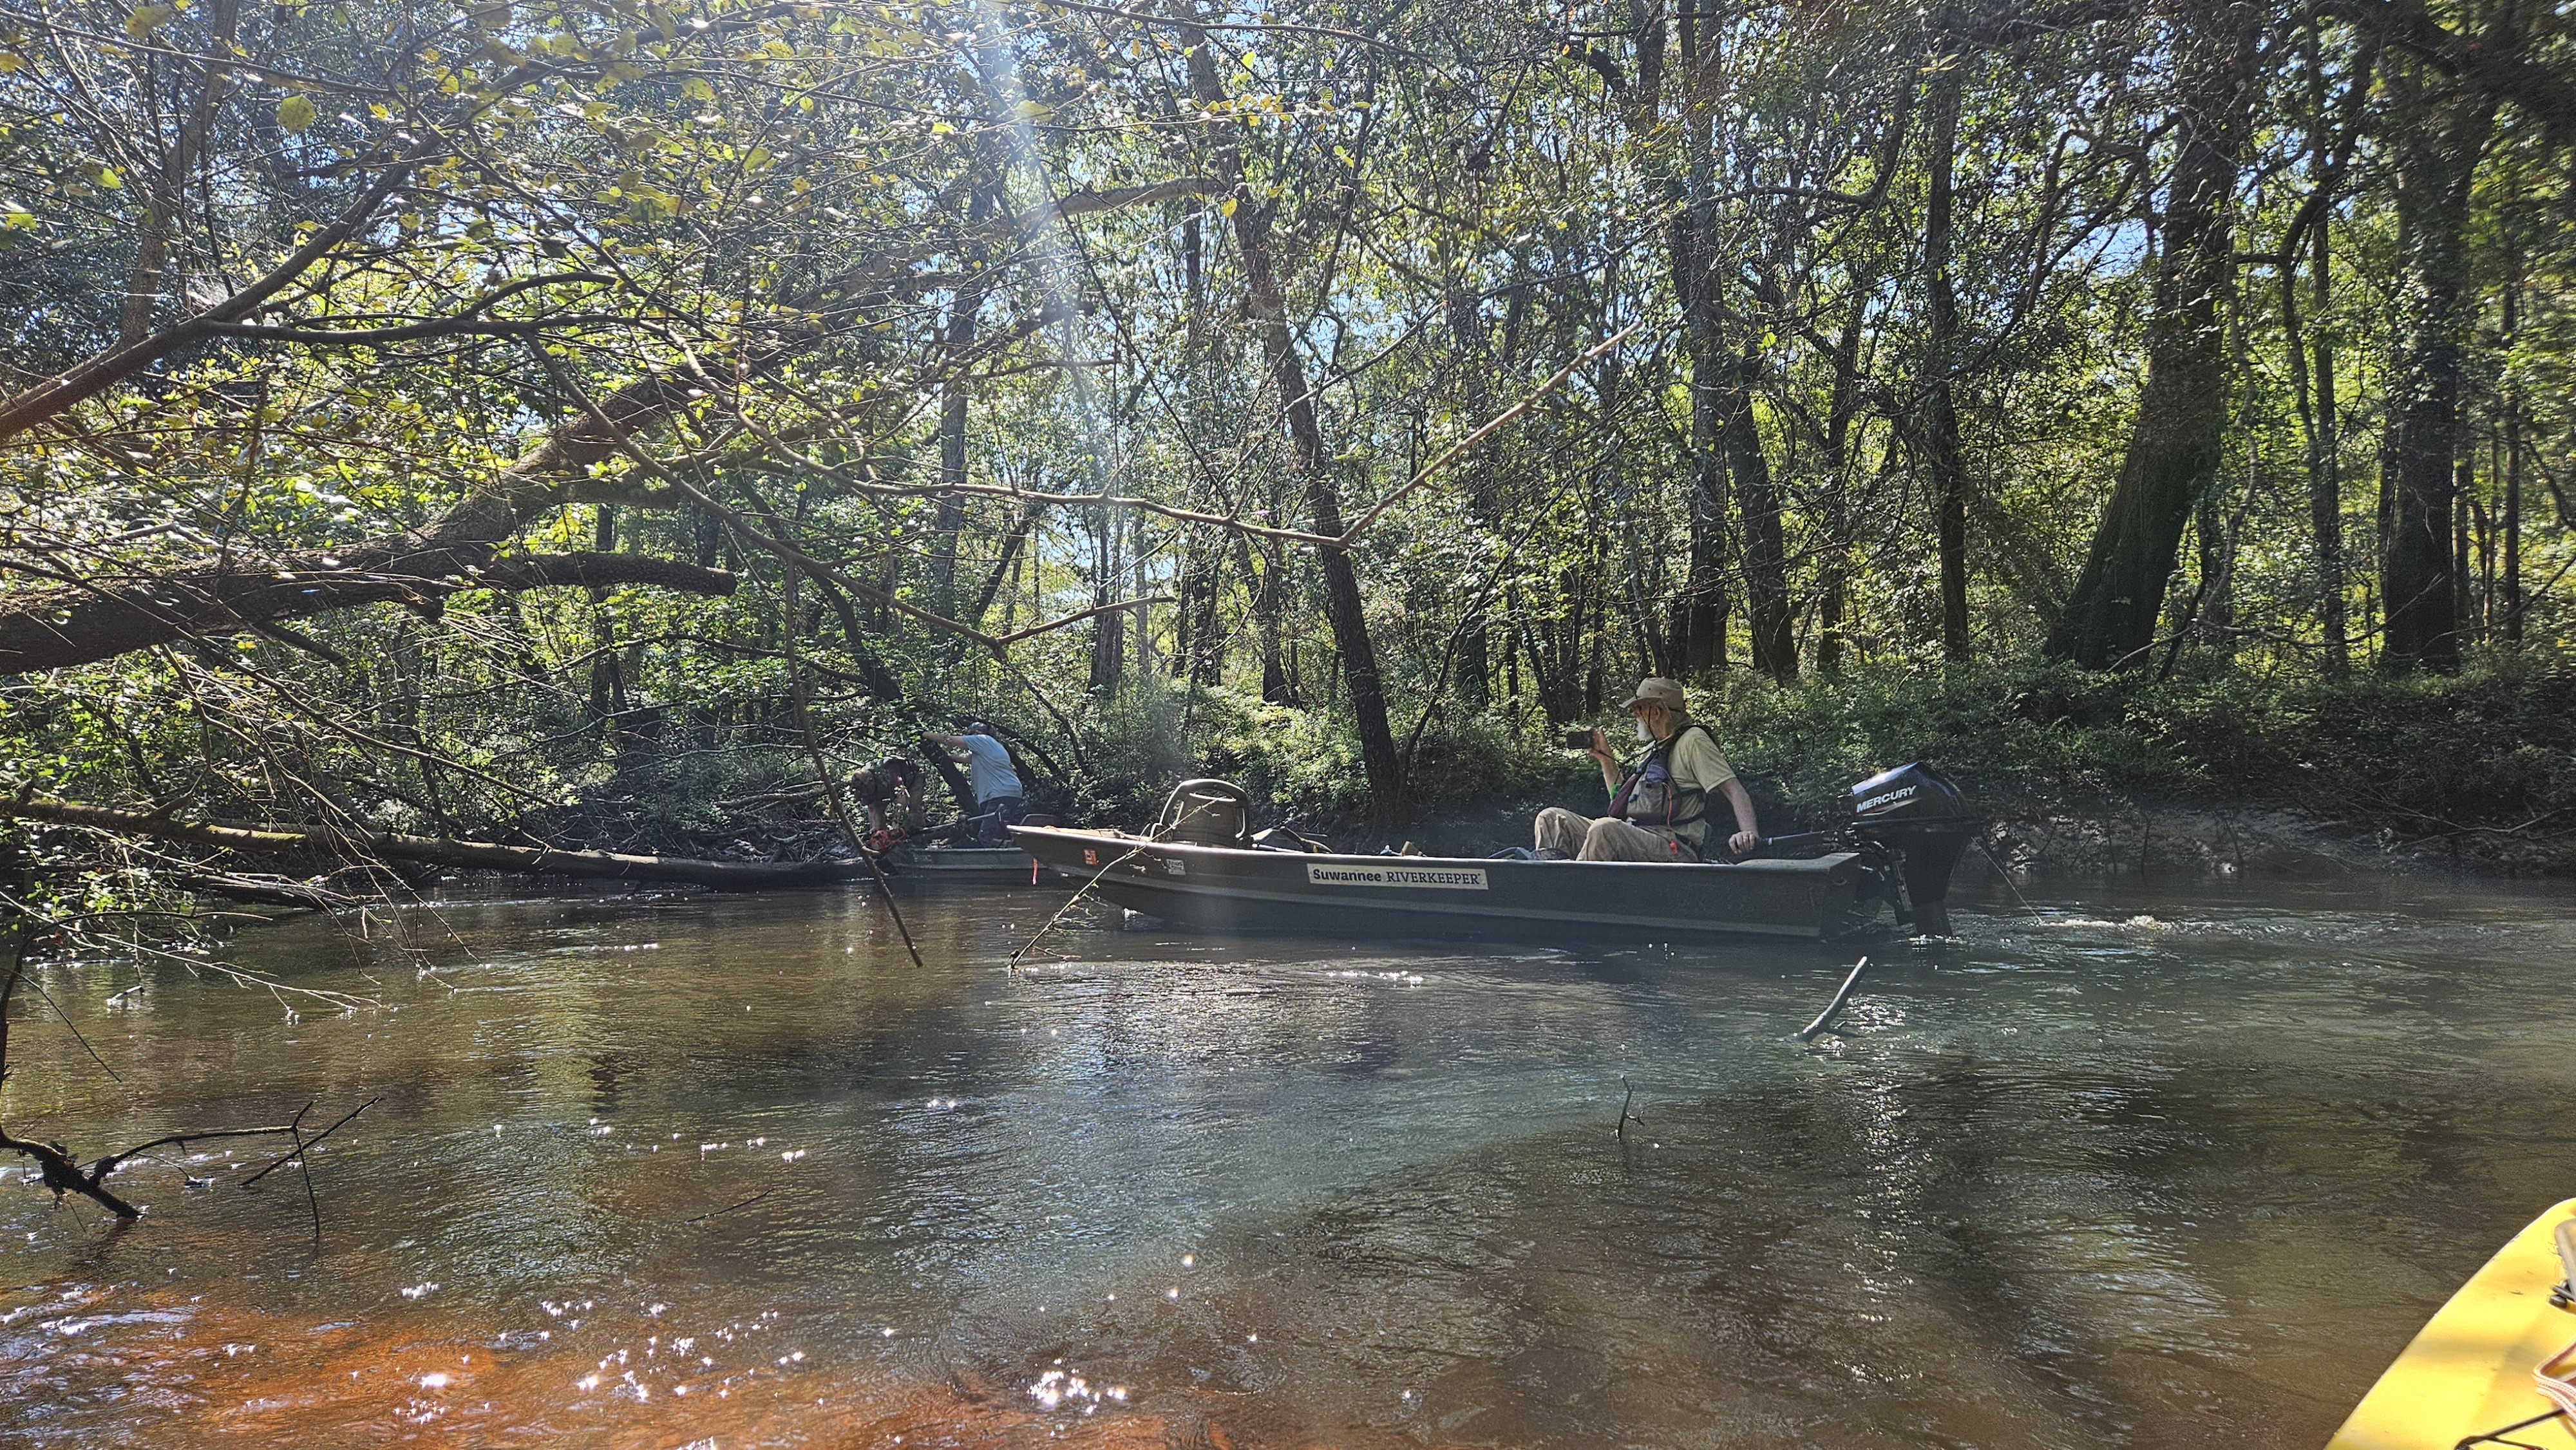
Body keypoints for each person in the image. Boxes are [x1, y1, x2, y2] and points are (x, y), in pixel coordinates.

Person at [1534, 677, 1759, 862]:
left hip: (1675, 847)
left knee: (1606, 830)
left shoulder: (1694, 741)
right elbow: (1622, 804)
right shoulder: (1654, 748)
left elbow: (1734, 789)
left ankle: (1567, 892)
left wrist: (1749, 833)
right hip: (1638, 834)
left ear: (1657, 712)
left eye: (1638, 708)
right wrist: (1606, 759)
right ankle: (1549, 887)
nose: (1634, 714)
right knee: (1552, 819)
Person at [923, 722, 1027, 845]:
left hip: (999, 794)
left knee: (986, 837)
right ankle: (1010, 848)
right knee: (999, 832)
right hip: (1007, 793)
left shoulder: (982, 740)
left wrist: (923, 734)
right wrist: (945, 756)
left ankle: (1014, 850)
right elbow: (964, 758)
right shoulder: (990, 748)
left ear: (976, 734)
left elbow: (948, 740)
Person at [849, 755, 923, 852]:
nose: (866, 793)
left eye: (867, 789)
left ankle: (920, 838)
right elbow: (872, 809)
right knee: (878, 815)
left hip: (913, 777)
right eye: (863, 791)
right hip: (888, 788)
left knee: (914, 805)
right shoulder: (862, 786)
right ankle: (885, 846)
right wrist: (876, 829)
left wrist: (895, 823)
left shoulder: (891, 775)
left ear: (871, 781)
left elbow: (903, 797)